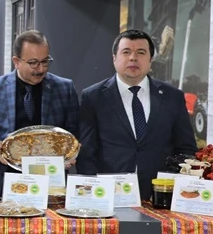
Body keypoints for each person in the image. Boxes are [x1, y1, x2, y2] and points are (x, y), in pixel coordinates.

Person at [77, 29, 196, 200]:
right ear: (114, 58)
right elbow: (87, 152)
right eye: (126, 52)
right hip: (109, 196)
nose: (133, 58)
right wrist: (94, 194)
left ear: (150, 59)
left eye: (141, 52)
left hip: (161, 196)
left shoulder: (172, 97)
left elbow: (186, 148)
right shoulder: (93, 97)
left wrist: (174, 188)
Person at [0, 30, 79, 198]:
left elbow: (73, 131)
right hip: (2, 186)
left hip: (50, 187)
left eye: (45, 61)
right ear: (16, 61)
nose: (41, 69)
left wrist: (70, 154)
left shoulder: (64, 88)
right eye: (33, 63)